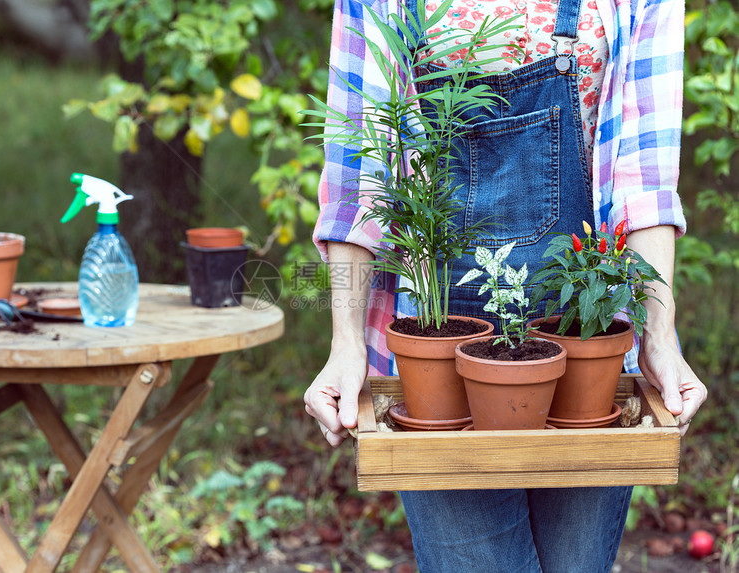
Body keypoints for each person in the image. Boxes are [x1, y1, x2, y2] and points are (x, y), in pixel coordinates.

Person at [303, 0, 709, 571]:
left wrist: (660, 337)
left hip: (584, 338)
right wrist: (344, 343)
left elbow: (645, 176)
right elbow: (357, 182)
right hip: (437, 345)